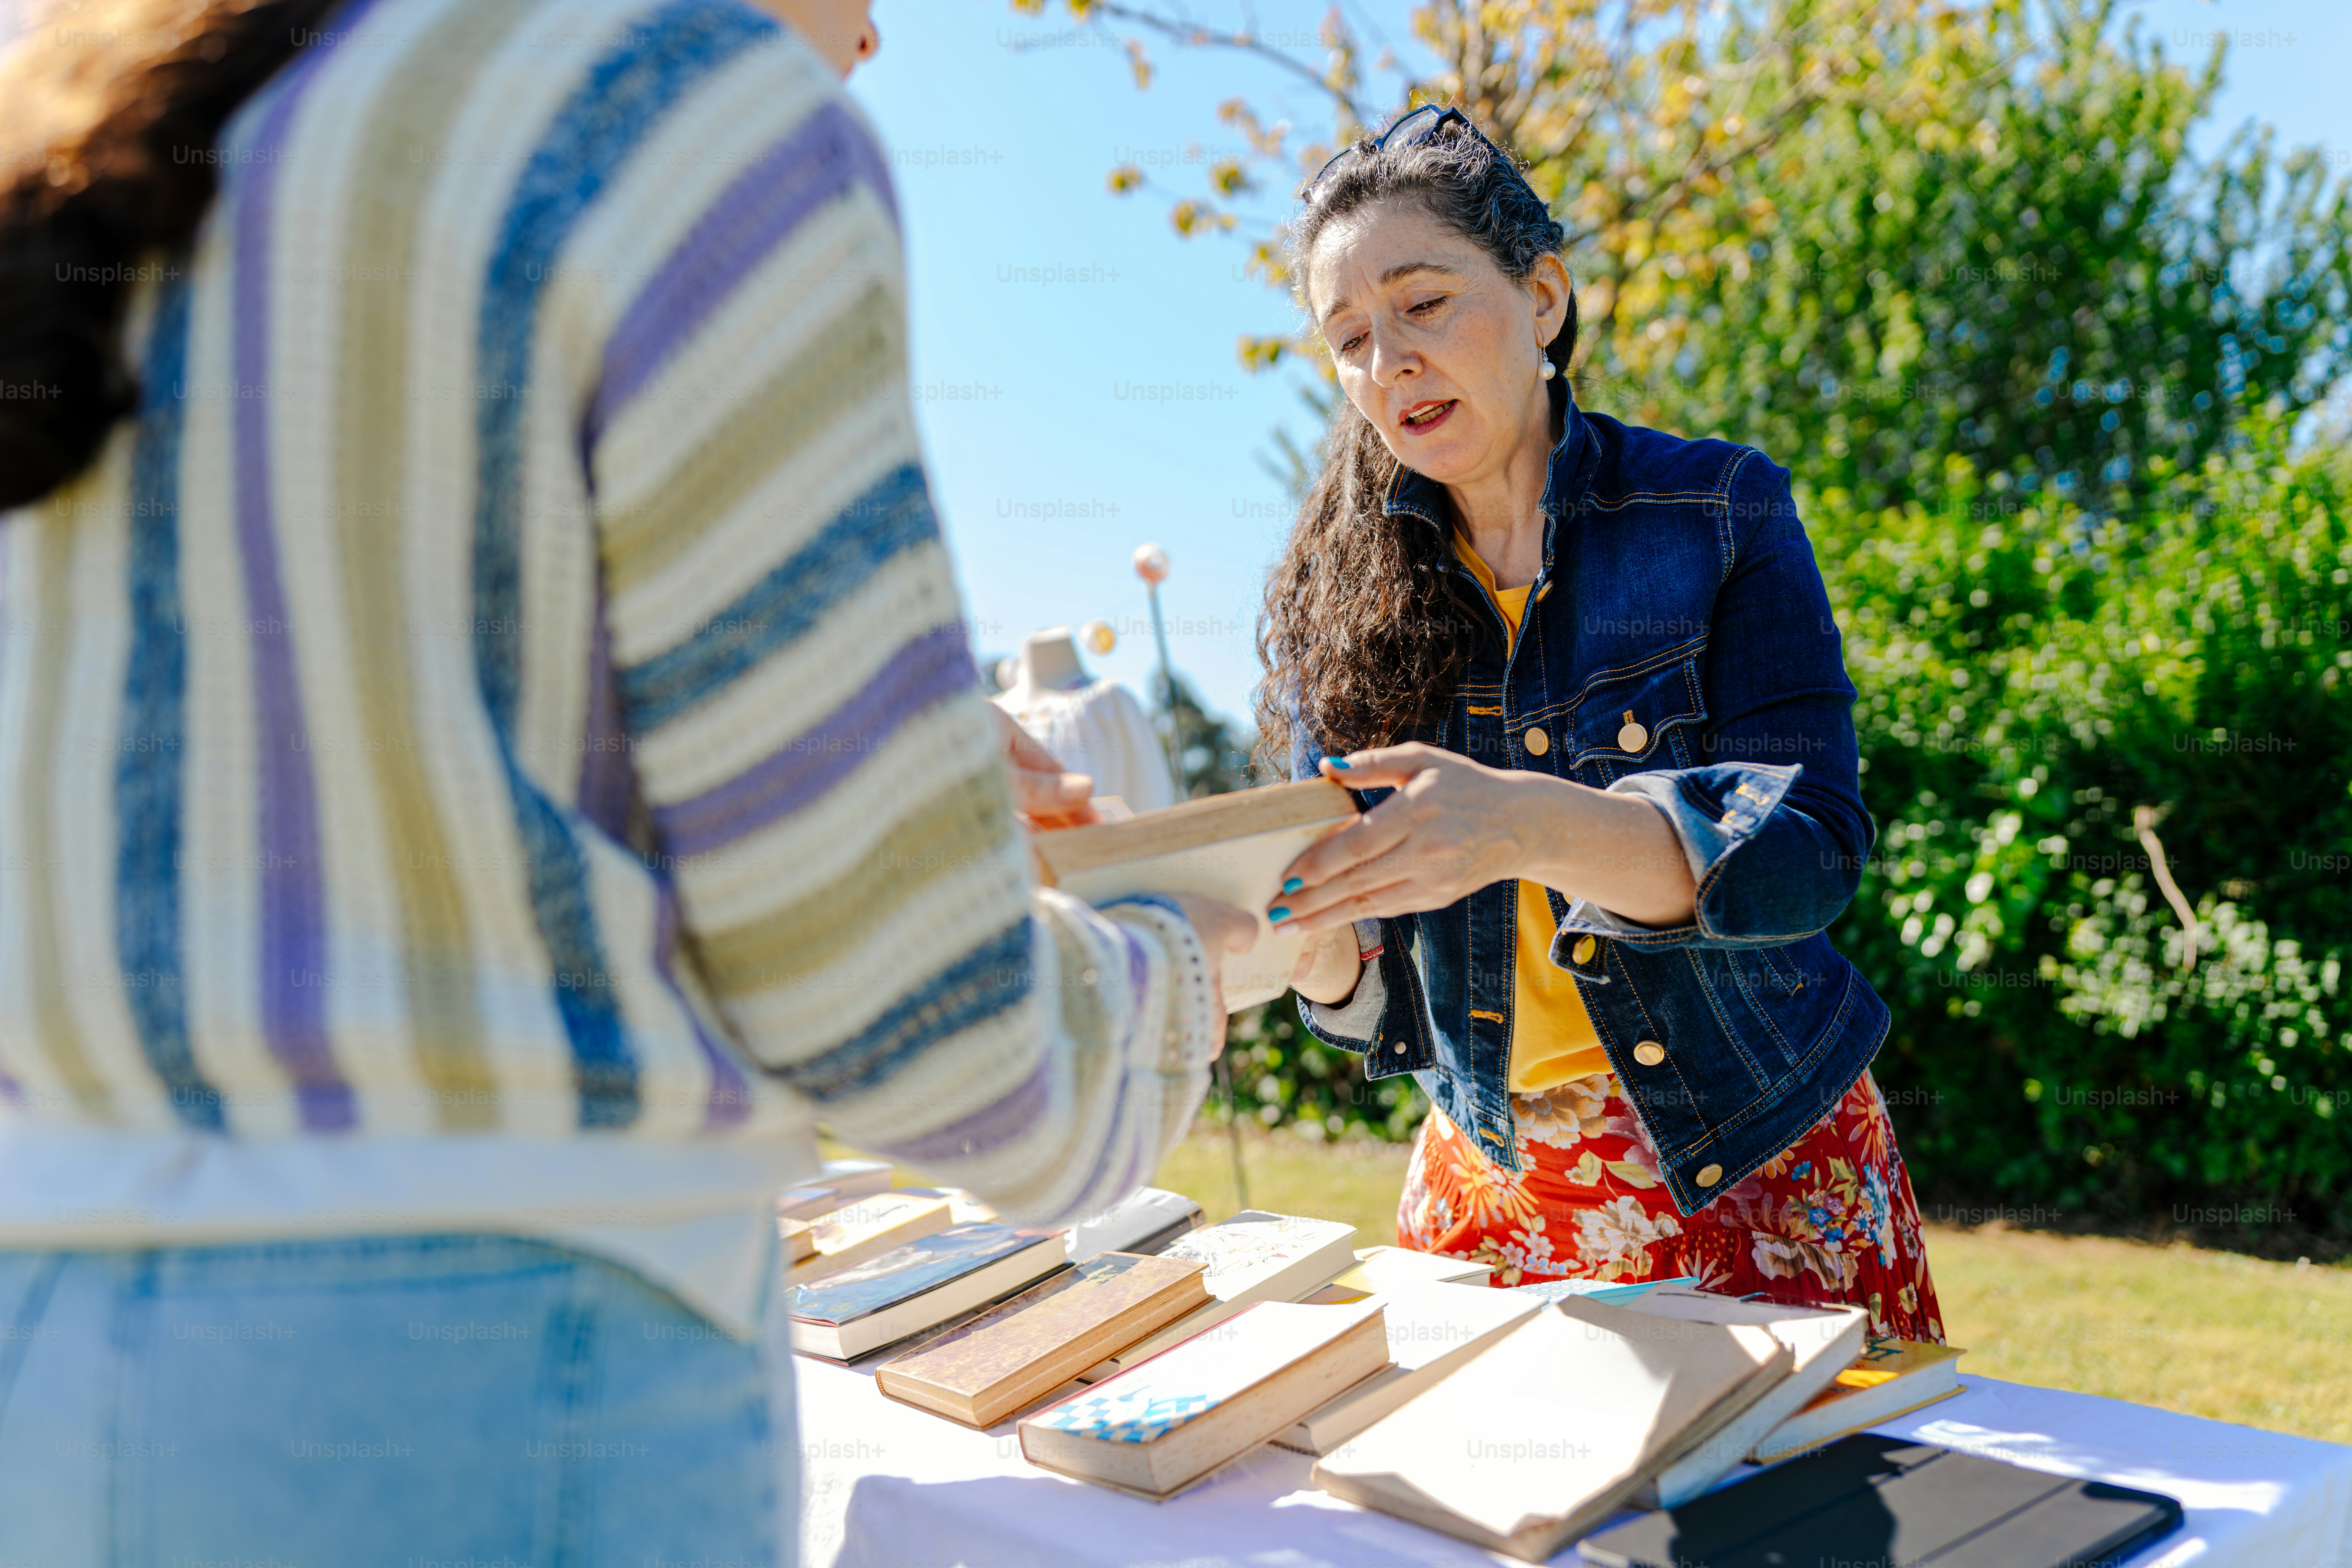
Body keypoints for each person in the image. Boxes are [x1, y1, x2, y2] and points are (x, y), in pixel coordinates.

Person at [0, 0, 1250, 1558]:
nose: (876, 36)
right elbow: (928, 1034)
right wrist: (1209, 946)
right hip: (501, 1402)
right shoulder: (677, 107)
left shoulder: (95, 107)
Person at [1264, 106, 1942, 1339]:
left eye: (1423, 304)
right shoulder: (1339, 602)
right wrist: (1307, 952)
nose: (1390, 362)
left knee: (1805, 1525)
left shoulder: (1720, 508)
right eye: (1350, 337)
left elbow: (1809, 852)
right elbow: (1369, 1000)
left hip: (1758, 1168)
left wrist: (1524, 824)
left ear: (1544, 298)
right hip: (1492, 1198)